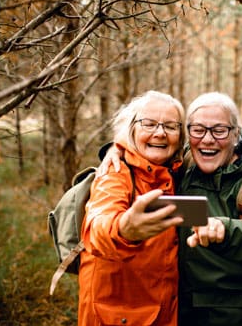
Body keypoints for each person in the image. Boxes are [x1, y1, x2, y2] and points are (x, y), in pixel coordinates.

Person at [101, 92, 242, 326]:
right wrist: (117, 149)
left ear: (236, 134)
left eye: (219, 130)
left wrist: (226, 230)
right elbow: (147, 145)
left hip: (233, 315)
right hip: (178, 308)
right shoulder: (185, 163)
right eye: (198, 130)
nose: (207, 139)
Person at [78, 90, 186, 326]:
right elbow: (97, 226)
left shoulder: (177, 171)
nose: (160, 133)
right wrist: (124, 230)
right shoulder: (115, 173)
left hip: (161, 312)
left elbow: (225, 133)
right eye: (149, 124)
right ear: (132, 129)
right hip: (116, 316)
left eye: (170, 126)